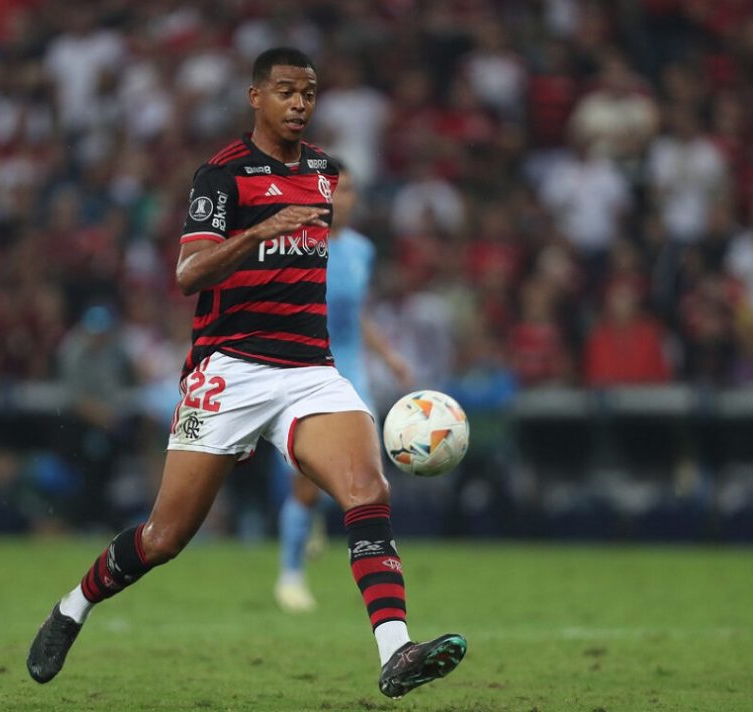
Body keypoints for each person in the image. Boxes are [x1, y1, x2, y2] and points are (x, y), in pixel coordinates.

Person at [26, 47, 466, 699]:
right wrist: (260, 232)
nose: (299, 103)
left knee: (367, 490)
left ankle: (396, 651)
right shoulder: (222, 177)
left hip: (310, 371)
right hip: (229, 370)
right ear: (255, 96)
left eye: (309, 93)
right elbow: (188, 274)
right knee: (165, 536)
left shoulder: (321, 172)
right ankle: (73, 606)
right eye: (286, 91)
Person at [273, 161, 413, 613]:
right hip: (305, 371)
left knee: (367, 479)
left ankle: (374, 576)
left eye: (350, 190)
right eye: (335, 190)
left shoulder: (361, 250)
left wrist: (389, 355)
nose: (343, 199)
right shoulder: (293, 247)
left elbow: (357, 314)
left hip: (352, 373)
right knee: (306, 487)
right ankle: (291, 577)